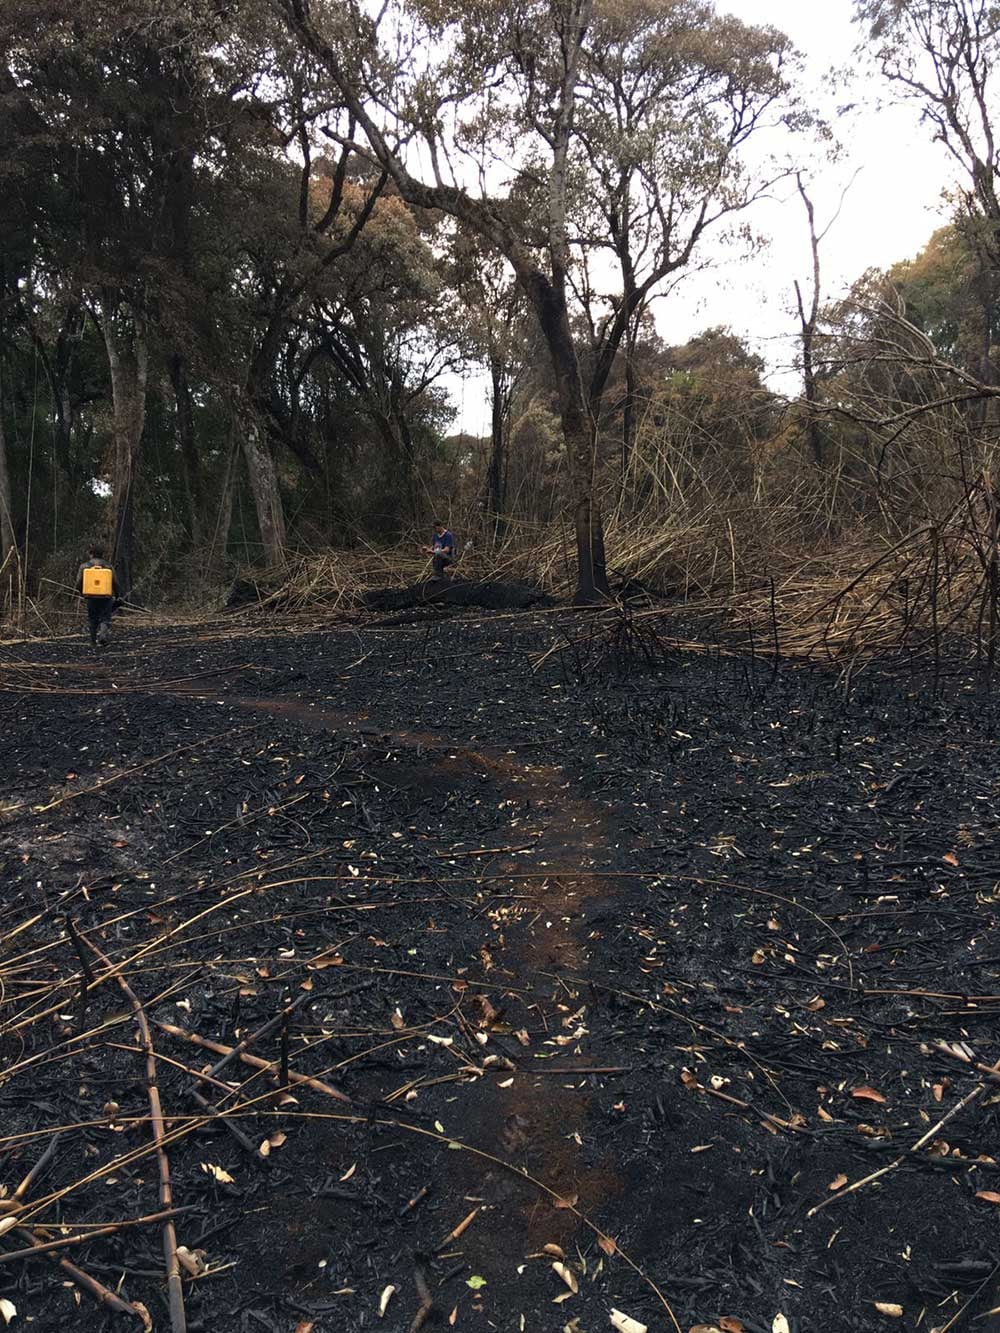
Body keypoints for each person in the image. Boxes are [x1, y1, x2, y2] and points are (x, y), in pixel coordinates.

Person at [76, 545, 118, 647]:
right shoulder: (108, 566)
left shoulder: (84, 566)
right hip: (106, 597)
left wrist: (82, 592)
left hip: (91, 597)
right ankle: (103, 636)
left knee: (92, 618)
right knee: (105, 618)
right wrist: (117, 595)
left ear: (91, 554)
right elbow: (115, 582)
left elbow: (78, 582)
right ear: (102, 555)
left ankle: (93, 641)